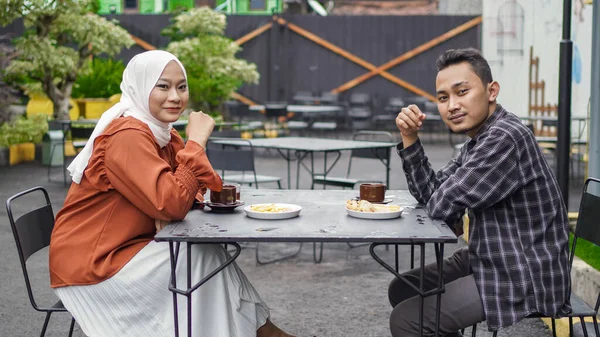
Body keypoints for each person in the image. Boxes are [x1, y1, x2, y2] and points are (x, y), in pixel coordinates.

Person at [49, 50, 296, 337]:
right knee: (198, 258)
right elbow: (173, 202)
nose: (176, 97)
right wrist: (197, 141)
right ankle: (264, 334)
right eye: (163, 86)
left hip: (130, 245)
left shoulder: (162, 132)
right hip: (96, 262)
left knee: (203, 251)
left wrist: (173, 204)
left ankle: (263, 333)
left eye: (182, 86)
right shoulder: (127, 135)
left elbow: (202, 187)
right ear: (139, 88)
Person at [388, 48, 571, 336]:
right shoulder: (480, 139)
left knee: (407, 320)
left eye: (462, 92)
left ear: (491, 91)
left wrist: (445, 202)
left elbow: (440, 205)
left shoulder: (504, 138)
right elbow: (433, 193)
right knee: (403, 287)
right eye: (443, 98)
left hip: (523, 271)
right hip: (491, 254)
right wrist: (409, 138)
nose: (452, 105)